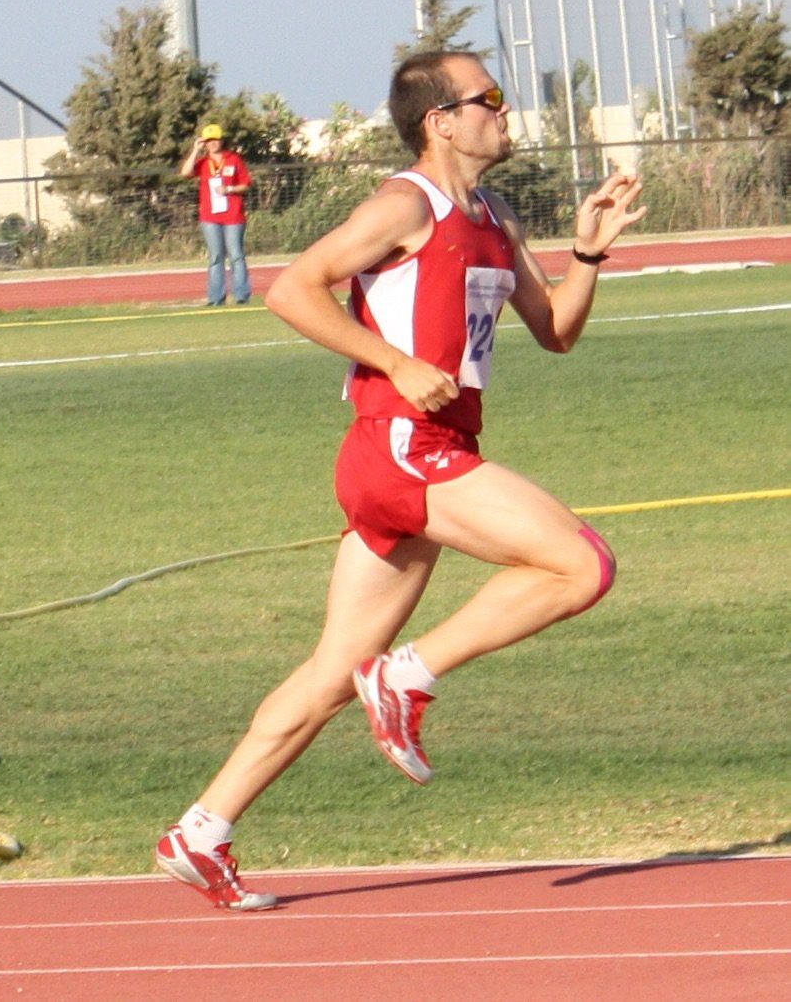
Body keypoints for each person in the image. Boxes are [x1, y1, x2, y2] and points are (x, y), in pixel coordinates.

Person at [155, 50, 647, 912]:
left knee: (331, 669)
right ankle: (409, 674)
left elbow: (558, 331)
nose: (504, 109)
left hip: (429, 446)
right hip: (402, 444)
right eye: (487, 98)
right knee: (581, 565)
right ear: (440, 120)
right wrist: (390, 358)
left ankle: (202, 828)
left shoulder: (494, 214)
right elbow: (293, 288)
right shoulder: (402, 204)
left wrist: (589, 253)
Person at [181, 123, 253, 306]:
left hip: (233, 216)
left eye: (215, 139)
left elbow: (246, 184)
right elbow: (185, 172)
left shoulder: (234, 159)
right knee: (215, 257)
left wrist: (229, 188)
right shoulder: (204, 162)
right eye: (208, 141)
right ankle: (216, 298)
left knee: (236, 255)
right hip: (210, 217)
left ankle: (242, 295)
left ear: (222, 140)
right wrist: (195, 151)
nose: (213, 143)